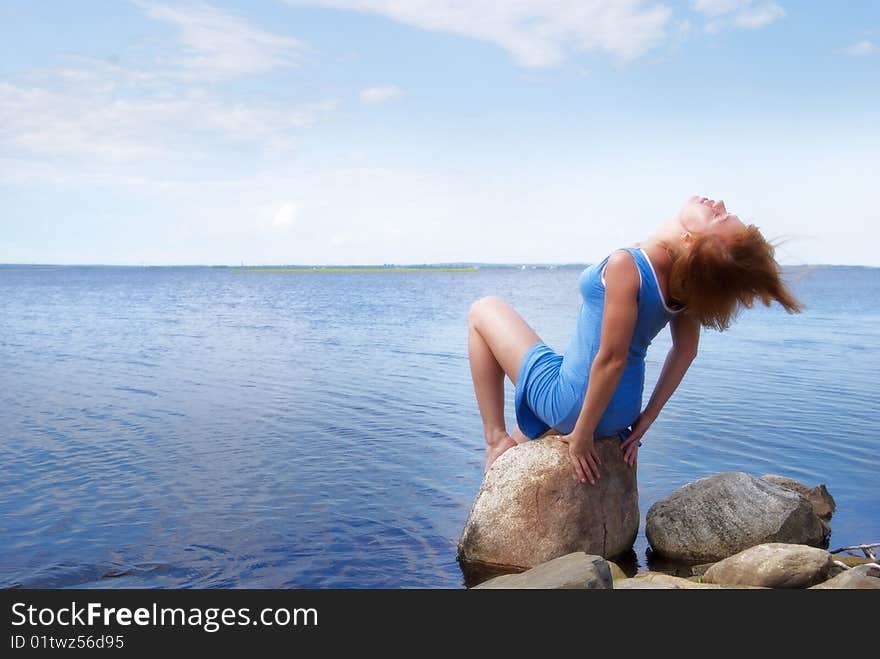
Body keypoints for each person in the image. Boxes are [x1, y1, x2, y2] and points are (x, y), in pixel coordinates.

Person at [467, 195, 802, 484]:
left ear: (690, 241)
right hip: (622, 413)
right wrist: (645, 420)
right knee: (552, 375)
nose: (718, 203)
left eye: (719, 216)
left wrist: (581, 436)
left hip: (577, 404)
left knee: (483, 310)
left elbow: (611, 359)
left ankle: (495, 440)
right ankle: (526, 435)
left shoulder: (626, 264)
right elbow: (686, 351)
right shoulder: (687, 282)